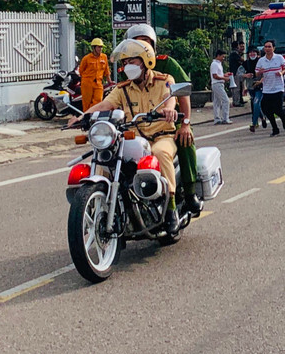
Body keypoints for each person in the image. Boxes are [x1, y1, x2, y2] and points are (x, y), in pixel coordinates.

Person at [75, 38, 181, 233]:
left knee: (160, 153)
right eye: (124, 63)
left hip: (161, 136)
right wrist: (83, 116)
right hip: (134, 138)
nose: (128, 66)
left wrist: (169, 110)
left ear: (146, 60)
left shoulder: (164, 80)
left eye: (132, 61)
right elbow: (106, 105)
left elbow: (170, 98)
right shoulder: (122, 89)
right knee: (108, 158)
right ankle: (105, 208)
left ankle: (171, 210)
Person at [125, 24, 200, 214]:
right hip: (138, 124)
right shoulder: (128, 67)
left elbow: (183, 94)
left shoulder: (167, 64)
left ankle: (190, 193)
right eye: (136, 44)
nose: (142, 48)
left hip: (168, 119)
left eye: (146, 43)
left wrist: (185, 123)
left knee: (184, 139)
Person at [256, 40, 285, 137]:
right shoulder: (261, 60)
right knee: (266, 109)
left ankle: (283, 117)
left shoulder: (279, 58)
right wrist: (260, 72)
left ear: (273, 48)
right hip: (267, 88)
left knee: (277, 109)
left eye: (269, 46)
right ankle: (275, 128)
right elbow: (256, 72)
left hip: (278, 87)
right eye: (265, 47)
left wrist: (281, 73)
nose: (267, 49)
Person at [78, 38, 111, 112]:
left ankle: (93, 115)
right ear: (94, 48)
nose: (100, 49)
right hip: (87, 83)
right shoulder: (86, 58)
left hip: (98, 83)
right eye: (99, 47)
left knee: (98, 101)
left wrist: (109, 81)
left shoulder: (104, 57)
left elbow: (106, 70)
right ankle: (86, 117)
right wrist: (86, 79)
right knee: (87, 102)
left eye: (101, 47)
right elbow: (81, 70)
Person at [210, 49, 233, 125]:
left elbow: (218, 74)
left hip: (218, 83)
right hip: (217, 84)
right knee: (225, 100)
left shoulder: (219, 64)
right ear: (218, 56)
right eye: (223, 56)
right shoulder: (214, 64)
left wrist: (224, 75)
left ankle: (217, 119)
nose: (223, 58)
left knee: (217, 102)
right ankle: (225, 118)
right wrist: (224, 78)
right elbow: (215, 76)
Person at [243, 47, 263, 132]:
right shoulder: (245, 63)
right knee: (254, 104)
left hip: (261, 86)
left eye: (254, 53)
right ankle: (262, 118)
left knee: (256, 103)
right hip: (251, 87)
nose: (252, 54)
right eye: (250, 53)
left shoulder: (262, 61)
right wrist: (245, 75)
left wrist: (260, 79)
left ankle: (254, 123)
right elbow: (239, 74)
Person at [228, 41, 245, 106]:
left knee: (239, 88)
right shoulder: (234, 53)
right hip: (235, 73)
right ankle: (236, 102)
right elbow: (241, 60)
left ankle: (239, 100)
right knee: (236, 89)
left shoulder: (234, 53)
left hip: (236, 72)